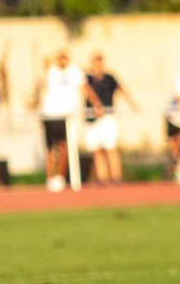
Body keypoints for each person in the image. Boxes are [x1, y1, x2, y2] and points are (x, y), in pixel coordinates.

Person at [83, 52, 138, 186]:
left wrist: (132, 104)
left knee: (110, 147)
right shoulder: (87, 79)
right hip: (92, 118)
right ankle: (103, 178)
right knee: (97, 149)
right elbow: (85, 90)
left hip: (108, 116)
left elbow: (121, 89)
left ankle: (116, 177)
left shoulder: (110, 78)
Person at [35, 49, 84, 191]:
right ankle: (50, 178)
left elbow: (83, 86)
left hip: (66, 116)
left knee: (64, 147)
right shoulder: (52, 71)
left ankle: (60, 177)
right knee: (50, 148)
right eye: (60, 57)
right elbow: (44, 61)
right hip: (50, 114)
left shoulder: (74, 71)